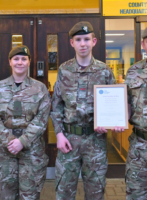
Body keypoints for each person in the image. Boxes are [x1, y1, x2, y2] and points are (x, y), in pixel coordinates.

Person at [50, 21, 117, 200]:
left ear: (94, 41)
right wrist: (58, 134)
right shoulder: (64, 70)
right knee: (64, 192)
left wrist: (109, 123)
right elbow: (56, 105)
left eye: (86, 39)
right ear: (72, 43)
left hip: (96, 141)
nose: (83, 43)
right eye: (78, 39)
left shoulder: (104, 71)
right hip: (68, 140)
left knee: (95, 193)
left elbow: (114, 104)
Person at [0, 45, 51, 200]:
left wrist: (22, 141)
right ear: (10, 62)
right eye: (16, 59)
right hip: (4, 150)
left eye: (23, 59)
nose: (19, 62)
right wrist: (9, 140)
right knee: (6, 195)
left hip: (32, 151)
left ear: (29, 62)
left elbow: (42, 119)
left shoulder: (40, 89)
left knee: (30, 196)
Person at [125, 24, 147, 200]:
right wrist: (117, 119)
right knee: (136, 196)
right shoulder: (133, 72)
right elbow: (125, 103)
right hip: (139, 147)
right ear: (143, 44)